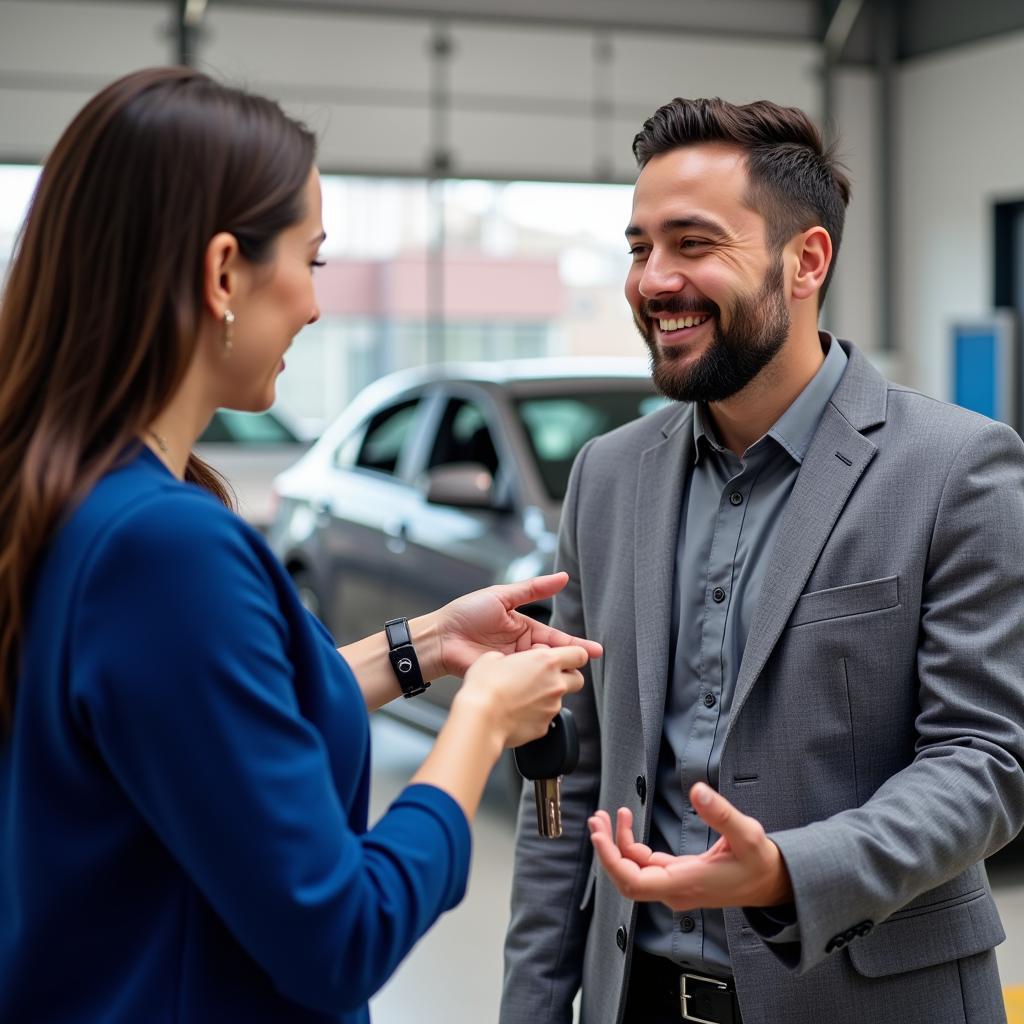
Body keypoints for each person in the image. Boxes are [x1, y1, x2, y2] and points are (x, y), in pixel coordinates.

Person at [0, 67, 602, 1024]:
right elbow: (339, 934)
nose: (318, 307)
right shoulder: (165, 549)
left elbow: (213, 729)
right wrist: (480, 721)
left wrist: (428, 646)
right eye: (312, 262)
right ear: (224, 271)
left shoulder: (80, 499)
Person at [501, 96, 1024, 1024]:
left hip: (866, 1000)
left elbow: (984, 761)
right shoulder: (607, 477)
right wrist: (532, 1009)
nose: (654, 281)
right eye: (637, 248)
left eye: (693, 245)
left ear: (806, 260)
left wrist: (788, 871)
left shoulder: (955, 468)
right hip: (641, 1000)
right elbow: (564, 775)